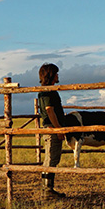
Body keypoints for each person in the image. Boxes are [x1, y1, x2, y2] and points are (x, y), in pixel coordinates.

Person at [36, 63, 66, 199]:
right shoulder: (47, 91)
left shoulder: (47, 90)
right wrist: (58, 129)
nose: (58, 76)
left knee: (52, 158)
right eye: (56, 73)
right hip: (51, 128)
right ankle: (47, 190)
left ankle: (48, 188)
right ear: (51, 75)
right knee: (51, 159)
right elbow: (49, 110)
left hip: (52, 127)